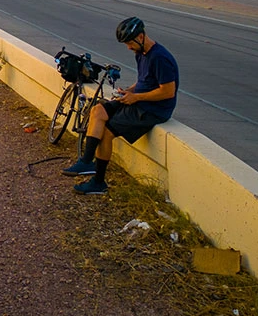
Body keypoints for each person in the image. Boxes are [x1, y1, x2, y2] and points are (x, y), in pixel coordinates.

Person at [62, 16, 179, 194]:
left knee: (107, 133)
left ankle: (98, 182)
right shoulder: (141, 53)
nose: (128, 47)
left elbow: (168, 92)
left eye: (129, 43)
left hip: (152, 110)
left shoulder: (160, 58)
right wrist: (129, 91)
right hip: (138, 100)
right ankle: (86, 161)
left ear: (140, 37)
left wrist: (137, 98)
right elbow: (144, 82)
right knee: (98, 110)